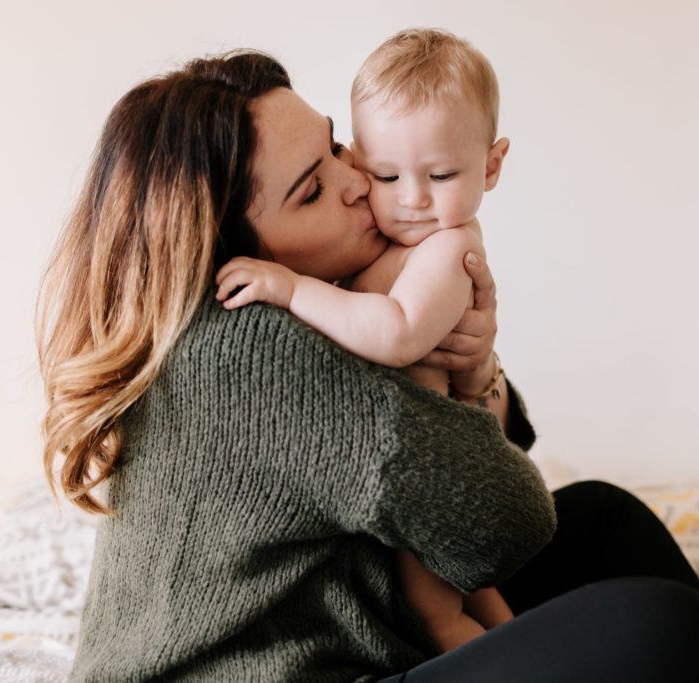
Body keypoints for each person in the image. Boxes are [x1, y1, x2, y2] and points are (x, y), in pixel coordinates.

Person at [38, 50, 699, 682]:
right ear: (243, 252)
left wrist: (474, 361)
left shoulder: (317, 301)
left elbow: (475, 482)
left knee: (604, 521)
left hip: (365, 628)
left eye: (334, 148)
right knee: (659, 628)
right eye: (313, 189)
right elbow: (497, 519)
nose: (361, 179)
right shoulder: (251, 349)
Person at [212, 28, 515, 653]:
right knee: (472, 591)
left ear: (491, 165)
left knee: (438, 607)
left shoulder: (447, 245)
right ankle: (517, 641)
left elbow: (398, 334)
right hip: (426, 474)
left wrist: (292, 288)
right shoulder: (242, 348)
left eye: (441, 173)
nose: (411, 199)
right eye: (383, 172)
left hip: (441, 474)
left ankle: (502, 653)